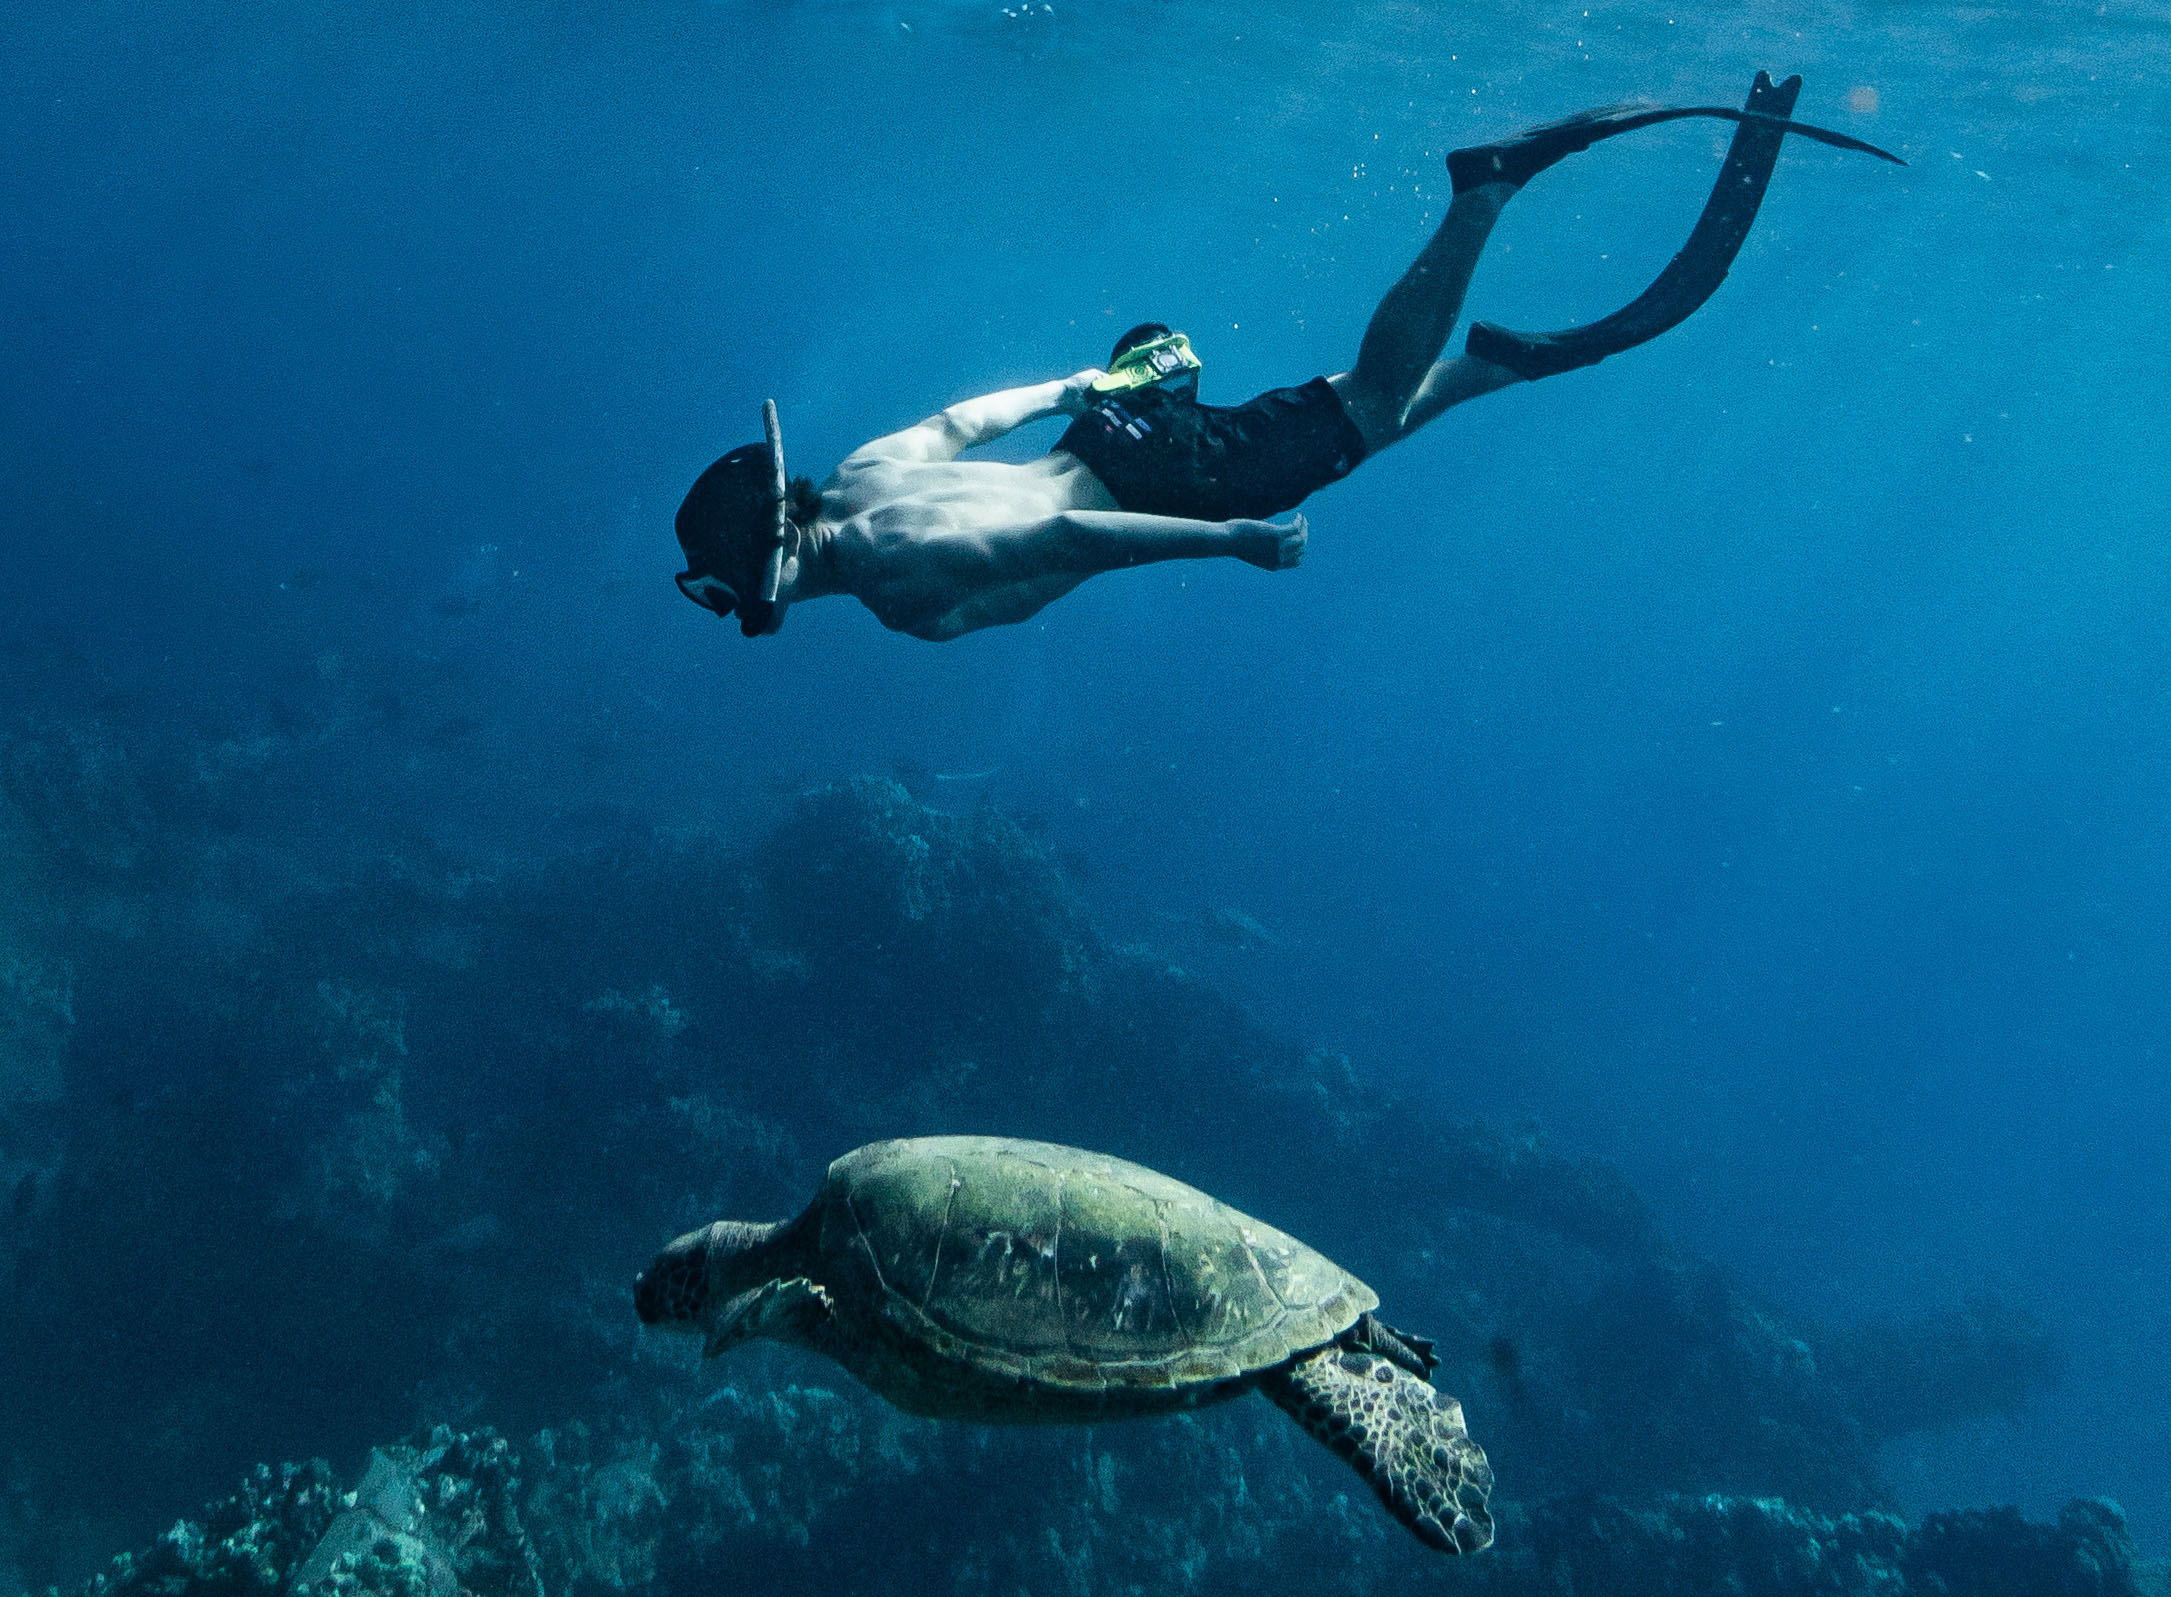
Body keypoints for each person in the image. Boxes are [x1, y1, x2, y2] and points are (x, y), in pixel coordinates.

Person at [673, 73, 1898, 642]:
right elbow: (954, 423)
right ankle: (1494, 365)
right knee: (1351, 430)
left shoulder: (895, 580)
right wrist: (1076, 388)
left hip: (1164, 487)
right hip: (1120, 423)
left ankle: (1482, 194)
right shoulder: (865, 471)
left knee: (1362, 403)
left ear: (765, 574)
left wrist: (1229, 543)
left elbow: (1072, 541)